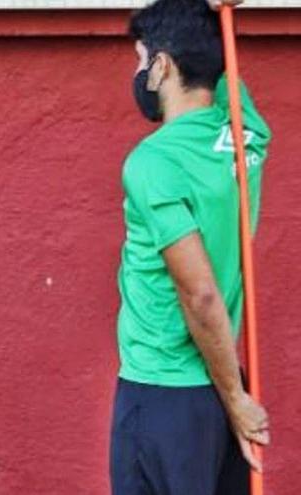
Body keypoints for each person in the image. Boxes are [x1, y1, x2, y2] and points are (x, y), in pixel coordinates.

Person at [110, 0, 272, 493]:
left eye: (142, 60)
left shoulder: (154, 162)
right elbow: (222, 68)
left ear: (162, 66)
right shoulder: (247, 135)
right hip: (221, 389)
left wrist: (239, 400)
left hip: (161, 393)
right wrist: (234, 396)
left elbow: (198, 292)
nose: (139, 73)